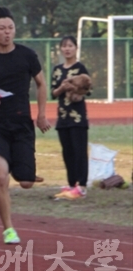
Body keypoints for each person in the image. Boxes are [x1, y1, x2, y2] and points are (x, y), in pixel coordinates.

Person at [0, 7, 51, 244]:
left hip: (22, 124)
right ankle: (9, 229)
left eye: (10, 28)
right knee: (1, 175)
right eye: (2, 28)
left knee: (25, 182)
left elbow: (41, 84)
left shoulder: (27, 56)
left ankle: (20, 165)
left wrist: (42, 115)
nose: (7, 32)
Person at [51, 36, 90, 200]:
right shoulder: (57, 70)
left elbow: (88, 90)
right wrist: (62, 88)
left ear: (76, 48)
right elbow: (53, 93)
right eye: (64, 46)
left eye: (70, 46)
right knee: (67, 152)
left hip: (77, 117)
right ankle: (72, 183)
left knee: (79, 151)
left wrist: (76, 92)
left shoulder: (80, 68)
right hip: (63, 116)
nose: (67, 49)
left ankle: (82, 186)